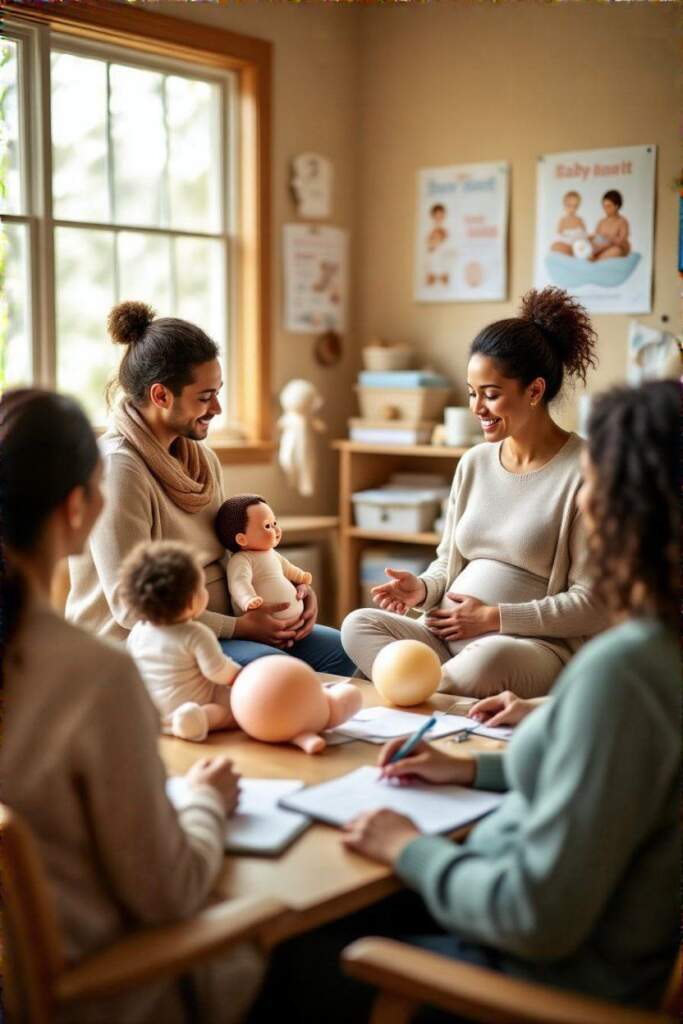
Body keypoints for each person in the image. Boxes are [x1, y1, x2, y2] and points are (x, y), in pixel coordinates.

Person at [250, 379, 680, 1023]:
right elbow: (612, 777)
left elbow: (534, 917)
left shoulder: (626, 674)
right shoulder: (660, 651)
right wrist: (474, 768)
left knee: (283, 954)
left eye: (593, 483)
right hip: (583, 950)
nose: (584, 500)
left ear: (627, 507)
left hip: (535, 986)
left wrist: (409, 849)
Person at [0, 389, 263, 1023]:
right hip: (106, 992)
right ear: (76, 508)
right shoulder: (94, 678)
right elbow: (168, 894)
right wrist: (204, 800)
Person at [342, 287, 607, 697]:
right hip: (446, 639)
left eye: (491, 394)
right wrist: (423, 590)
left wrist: (494, 617)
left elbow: (593, 604)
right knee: (357, 624)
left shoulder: (587, 471)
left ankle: (416, 695)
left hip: (529, 648)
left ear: (535, 391)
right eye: (472, 393)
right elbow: (447, 564)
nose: (476, 408)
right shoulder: (475, 463)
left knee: (484, 663)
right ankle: (432, 693)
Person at [66, 300, 355, 676]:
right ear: (160, 396)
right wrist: (238, 627)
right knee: (277, 673)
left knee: (343, 650)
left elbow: (231, 554)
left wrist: (290, 591)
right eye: (204, 397)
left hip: (224, 624)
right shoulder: (118, 470)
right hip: (146, 641)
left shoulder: (201, 460)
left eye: (217, 392)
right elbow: (132, 608)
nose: (217, 407)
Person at [122, 540, 241, 742]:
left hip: (154, 713)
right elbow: (219, 672)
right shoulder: (196, 634)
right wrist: (240, 673)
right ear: (190, 600)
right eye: (202, 587)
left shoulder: (137, 632)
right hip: (189, 706)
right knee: (231, 711)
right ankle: (196, 720)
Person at [589, 189, 631, 260]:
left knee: (616, 251)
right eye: (604, 206)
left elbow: (622, 241)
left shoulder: (622, 221)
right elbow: (596, 237)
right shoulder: (601, 221)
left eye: (609, 206)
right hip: (600, 247)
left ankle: (597, 260)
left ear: (616, 206)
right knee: (587, 248)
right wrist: (589, 239)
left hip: (615, 248)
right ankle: (593, 258)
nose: (605, 209)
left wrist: (607, 241)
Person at [550, 190, 588, 256]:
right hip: (567, 245)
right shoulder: (563, 220)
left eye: (575, 206)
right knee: (554, 246)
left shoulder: (580, 220)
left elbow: (585, 235)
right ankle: (571, 254)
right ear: (564, 205)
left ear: (578, 206)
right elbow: (559, 236)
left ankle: (578, 254)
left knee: (584, 246)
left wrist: (583, 241)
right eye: (569, 206)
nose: (572, 209)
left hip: (578, 245)